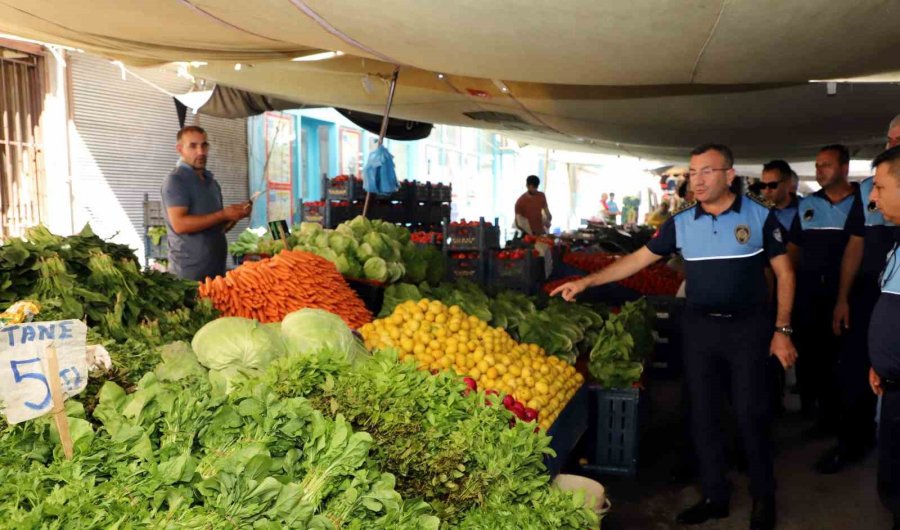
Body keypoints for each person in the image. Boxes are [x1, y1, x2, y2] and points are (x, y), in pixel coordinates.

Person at [552, 143, 796, 530]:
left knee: (751, 414)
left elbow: (785, 274)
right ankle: (714, 495)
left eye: (706, 172)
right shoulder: (681, 222)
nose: (695, 180)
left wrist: (782, 330)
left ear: (729, 176)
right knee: (702, 414)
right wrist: (587, 281)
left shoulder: (760, 217)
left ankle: (764, 497)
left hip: (748, 328)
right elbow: (636, 261)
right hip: (699, 327)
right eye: (692, 172)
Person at [819, 121, 900, 474]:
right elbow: (855, 245)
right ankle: (853, 442)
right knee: (855, 370)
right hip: (872, 293)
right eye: (890, 139)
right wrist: (842, 298)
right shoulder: (869, 190)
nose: (892, 144)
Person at [788, 144, 865, 440]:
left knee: (845, 358)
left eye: (826, 165)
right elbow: (794, 249)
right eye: (817, 165)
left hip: (850, 294)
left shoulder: (864, 201)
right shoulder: (808, 205)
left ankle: (850, 424)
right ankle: (823, 416)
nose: (820, 170)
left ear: (844, 168)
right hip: (811, 295)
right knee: (814, 357)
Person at [162, 126, 250, 281]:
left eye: (204, 145)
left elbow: (218, 227)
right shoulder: (176, 180)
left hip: (216, 272)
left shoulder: (211, 183)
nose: (201, 152)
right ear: (180, 149)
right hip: (189, 275)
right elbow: (180, 224)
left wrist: (235, 216)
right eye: (193, 146)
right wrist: (223, 214)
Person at [865, 145, 900, 529]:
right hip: (891, 386)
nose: (873, 197)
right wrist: (883, 363)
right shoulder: (898, 242)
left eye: (879, 187)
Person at [758, 160, 799, 233]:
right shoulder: (759, 212)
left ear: (788, 183)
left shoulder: (803, 209)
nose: (767, 190)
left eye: (772, 185)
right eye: (763, 185)